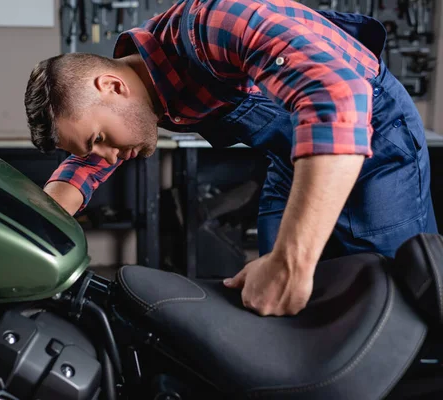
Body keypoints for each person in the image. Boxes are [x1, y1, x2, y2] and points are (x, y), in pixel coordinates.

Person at [23, 0, 438, 317]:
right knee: (281, 308)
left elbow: (339, 96)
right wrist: (33, 237)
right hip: (293, 158)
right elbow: (86, 166)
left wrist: (293, 261)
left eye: (99, 138)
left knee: (401, 301)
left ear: (111, 86)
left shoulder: (214, 24)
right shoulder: (146, 94)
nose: (107, 156)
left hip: (376, 137)